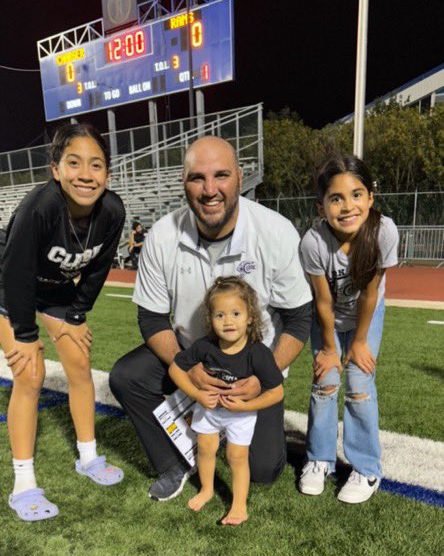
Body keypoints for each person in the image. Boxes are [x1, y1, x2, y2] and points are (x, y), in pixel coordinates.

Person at [109, 135, 313, 502]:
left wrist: (261, 375)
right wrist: (186, 369)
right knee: (127, 377)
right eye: (197, 178)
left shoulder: (275, 231)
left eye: (221, 175)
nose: (209, 189)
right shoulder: (162, 236)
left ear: (239, 177)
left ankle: (220, 430)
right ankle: (174, 461)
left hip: (252, 362)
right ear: (183, 182)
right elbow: (152, 319)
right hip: (193, 352)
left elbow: (299, 320)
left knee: (264, 471)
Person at [0, 122, 126, 521]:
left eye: (96, 165)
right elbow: (16, 272)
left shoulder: (112, 211)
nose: (86, 175)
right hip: (7, 288)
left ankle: (88, 458)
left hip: (54, 291)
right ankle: (23, 484)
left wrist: (75, 314)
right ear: (56, 169)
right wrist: (23, 334)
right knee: (30, 374)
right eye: (74, 163)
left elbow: (99, 268)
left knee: (79, 364)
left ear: (108, 172)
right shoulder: (41, 207)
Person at [298, 153, 398, 503]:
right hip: (327, 317)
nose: (347, 205)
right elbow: (323, 302)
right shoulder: (313, 243)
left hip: (365, 316)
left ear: (371, 197)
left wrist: (358, 343)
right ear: (321, 206)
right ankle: (319, 460)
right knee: (325, 382)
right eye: (335, 198)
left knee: (358, 380)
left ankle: (366, 467)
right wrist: (328, 347)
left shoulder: (383, 231)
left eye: (357, 194)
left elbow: (370, 294)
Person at [169, 276, 284, 525]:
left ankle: (239, 506)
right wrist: (197, 394)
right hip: (208, 410)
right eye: (220, 315)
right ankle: (207, 490)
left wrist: (246, 406)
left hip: (241, 415)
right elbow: (175, 370)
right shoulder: (204, 347)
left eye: (235, 313)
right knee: (207, 449)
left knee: (236, 457)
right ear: (210, 319)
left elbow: (276, 392)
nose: (228, 321)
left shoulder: (258, 353)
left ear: (250, 316)